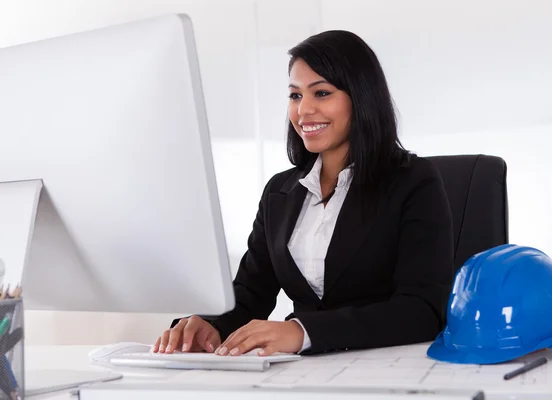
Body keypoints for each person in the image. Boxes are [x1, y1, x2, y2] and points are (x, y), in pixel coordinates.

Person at [154, 30, 454, 356]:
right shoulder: (280, 193)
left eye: (321, 93)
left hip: (387, 366)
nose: (303, 110)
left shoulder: (412, 182)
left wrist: (304, 331)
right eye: (295, 96)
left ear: (362, 97)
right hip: (304, 372)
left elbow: (421, 311)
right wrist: (207, 323)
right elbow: (250, 294)